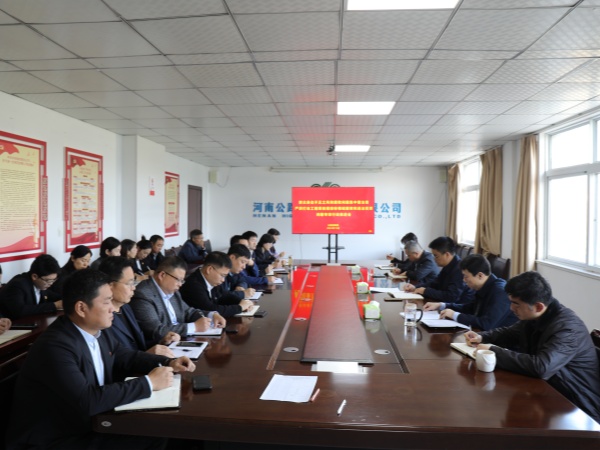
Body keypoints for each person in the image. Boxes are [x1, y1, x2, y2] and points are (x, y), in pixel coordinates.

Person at [6, 269, 196, 449]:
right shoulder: (55, 346)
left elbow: (124, 355)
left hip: (89, 423)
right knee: (155, 435)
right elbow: (87, 400)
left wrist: (167, 362)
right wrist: (149, 383)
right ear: (81, 308)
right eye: (107, 302)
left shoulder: (97, 331)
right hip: (57, 439)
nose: (113, 308)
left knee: (167, 430)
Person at [464, 271, 600, 424]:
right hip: (551, 391)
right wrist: (482, 337)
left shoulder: (567, 329)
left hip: (579, 406)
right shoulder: (537, 314)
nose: (511, 308)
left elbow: (541, 367)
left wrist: (493, 352)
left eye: (516, 304)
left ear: (538, 306)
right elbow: (511, 333)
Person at [130, 256, 226, 344]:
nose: (180, 284)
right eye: (178, 280)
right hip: (161, 348)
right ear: (162, 275)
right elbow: (156, 330)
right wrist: (194, 327)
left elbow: (188, 312)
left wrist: (212, 315)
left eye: (182, 280)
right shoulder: (143, 294)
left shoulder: (172, 291)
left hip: (180, 341)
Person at [99, 257, 179, 356]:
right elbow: (115, 358)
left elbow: (137, 344)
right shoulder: (102, 318)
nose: (133, 288)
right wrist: (146, 355)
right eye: (129, 283)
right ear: (110, 285)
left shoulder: (126, 307)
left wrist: (161, 342)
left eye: (134, 282)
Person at [424, 254, 517, 330]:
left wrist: (455, 315)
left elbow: (486, 324)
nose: (464, 280)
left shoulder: (500, 292)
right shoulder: (485, 286)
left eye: (466, 276)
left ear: (480, 275)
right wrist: (441, 305)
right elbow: (469, 308)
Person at [179, 251, 254, 318]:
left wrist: (241, 302)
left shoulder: (211, 281)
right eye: (222, 275)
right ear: (209, 269)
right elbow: (210, 310)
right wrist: (239, 307)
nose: (223, 280)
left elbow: (223, 295)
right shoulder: (193, 285)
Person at [404, 236, 473, 304]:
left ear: (447, 255)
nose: (434, 259)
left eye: (436, 256)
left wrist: (425, 291)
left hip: (458, 307)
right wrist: (415, 287)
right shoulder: (449, 265)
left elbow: (451, 296)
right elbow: (435, 283)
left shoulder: (459, 269)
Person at [0, 254, 62, 319]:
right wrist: (54, 305)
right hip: (12, 323)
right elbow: (20, 310)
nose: (51, 284)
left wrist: (66, 299)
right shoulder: (18, 285)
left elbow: (51, 296)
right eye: (48, 281)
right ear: (34, 276)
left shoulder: (40, 283)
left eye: (53, 280)